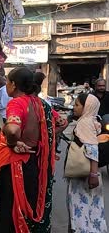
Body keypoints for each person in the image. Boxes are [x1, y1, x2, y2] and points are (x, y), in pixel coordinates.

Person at [0, 67, 56, 233]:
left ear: (13, 84)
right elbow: (61, 123)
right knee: (29, 205)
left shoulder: (17, 103)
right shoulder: (40, 103)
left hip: (16, 166)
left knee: (10, 211)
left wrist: (12, 143)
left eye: (8, 83)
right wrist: (41, 141)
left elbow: (12, 129)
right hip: (34, 163)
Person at [67, 93, 107, 232]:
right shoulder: (92, 120)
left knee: (81, 211)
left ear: (87, 107)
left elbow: (92, 148)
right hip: (90, 174)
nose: (74, 107)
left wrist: (93, 174)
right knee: (93, 211)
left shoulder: (85, 123)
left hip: (84, 176)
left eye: (77, 105)